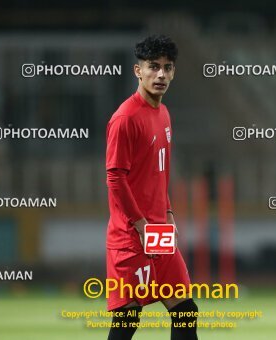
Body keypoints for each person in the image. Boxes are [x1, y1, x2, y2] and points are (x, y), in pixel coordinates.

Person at [105, 35, 198, 340]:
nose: (160, 74)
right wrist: (142, 224)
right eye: (153, 67)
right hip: (131, 237)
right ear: (138, 70)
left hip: (159, 232)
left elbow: (156, 174)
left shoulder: (164, 113)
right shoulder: (125, 119)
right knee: (127, 319)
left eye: (167, 68)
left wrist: (167, 212)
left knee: (185, 312)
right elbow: (115, 179)